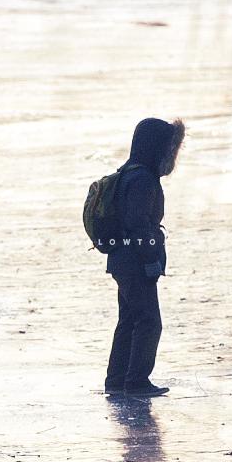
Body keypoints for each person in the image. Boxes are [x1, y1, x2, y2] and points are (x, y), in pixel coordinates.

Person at [102, 116, 183, 397]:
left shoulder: (128, 172)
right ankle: (136, 382)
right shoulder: (143, 179)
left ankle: (117, 380)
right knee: (149, 321)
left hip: (120, 259)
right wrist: (150, 257)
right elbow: (138, 223)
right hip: (134, 260)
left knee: (129, 319)